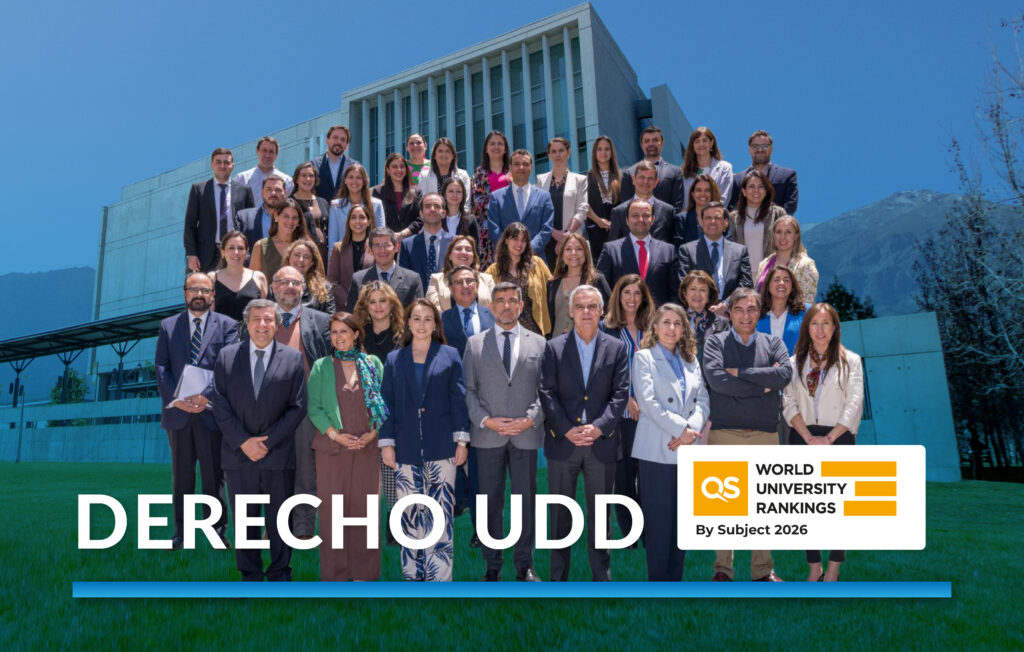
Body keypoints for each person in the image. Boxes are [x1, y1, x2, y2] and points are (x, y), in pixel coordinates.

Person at [539, 285, 630, 581]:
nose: (586, 312)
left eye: (592, 306)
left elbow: (620, 394)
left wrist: (599, 426)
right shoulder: (553, 348)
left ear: (601, 311)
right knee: (559, 515)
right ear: (571, 311)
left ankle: (601, 579)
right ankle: (557, 580)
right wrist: (567, 429)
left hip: (601, 443)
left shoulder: (616, 348)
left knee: (600, 516)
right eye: (580, 306)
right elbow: (547, 393)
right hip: (563, 443)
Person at [213, 299, 307, 581]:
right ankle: (250, 574)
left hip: (278, 455)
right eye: (256, 319)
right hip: (238, 455)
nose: (262, 325)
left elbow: (297, 407)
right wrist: (244, 442)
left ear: (277, 325)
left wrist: (267, 443)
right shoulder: (227, 357)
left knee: (280, 518)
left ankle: (280, 573)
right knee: (245, 519)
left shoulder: (292, 358)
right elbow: (220, 404)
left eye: (268, 320)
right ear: (247, 324)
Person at [703, 287, 793, 582]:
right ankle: (723, 569)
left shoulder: (773, 342)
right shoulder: (715, 342)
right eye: (739, 309)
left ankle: (763, 571)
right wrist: (762, 385)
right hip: (724, 432)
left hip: (764, 433)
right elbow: (717, 380)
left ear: (759, 312)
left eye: (752, 309)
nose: (745, 315)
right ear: (729, 313)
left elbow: (784, 375)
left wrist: (739, 373)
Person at [380, 299, 470, 581]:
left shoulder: (450, 355)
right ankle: (412, 579)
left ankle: (439, 582)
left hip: (442, 448)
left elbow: (459, 400)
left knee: (440, 516)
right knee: (410, 515)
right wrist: (387, 444)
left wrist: (462, 441)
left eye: (428, 319)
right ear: (408, 323)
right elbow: (386, 404)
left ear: (435, 324)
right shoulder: (394, 359)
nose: (422, 325)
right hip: (405, 449)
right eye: (416, 319)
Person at [463, 282, 546, 582]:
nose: (507, 305)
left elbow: (546, 391)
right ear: (491, 306)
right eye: (500, 300)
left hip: (525, 434)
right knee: (490, 502)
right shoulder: (475, 344)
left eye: (513, 300)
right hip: (488, 435)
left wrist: (530, 419)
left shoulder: (540, 344)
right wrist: (487, 421)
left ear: (521, 306)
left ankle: (524, 565)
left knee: (526, 501)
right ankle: (492, 565)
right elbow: (468, 391)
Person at [155, 273, 238, 550]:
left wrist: (206, 396)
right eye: (193, 289)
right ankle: (182, 533)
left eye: (205, 289)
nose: (199, 294)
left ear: (213, 294)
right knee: (182, 476)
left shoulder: (227, 326)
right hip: (178, 414)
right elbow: (162, 368)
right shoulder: (168, 326)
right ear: (185, 293)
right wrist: (176, 399)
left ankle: (216, 532)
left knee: (214, 477)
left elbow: (228, 367)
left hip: (211, 412)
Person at [783, 302, 864, 582]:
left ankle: (833, 570)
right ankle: (814, 568)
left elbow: (854, 403)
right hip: (802, 437)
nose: (820, 330)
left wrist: (829, 438)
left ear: (835, 327)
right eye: (814, 324)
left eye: (826, 323)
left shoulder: (851, 361)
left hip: (838, 438)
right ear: (807, 328)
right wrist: (808, 437)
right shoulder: (794, 363)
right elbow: (788, 402)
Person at [631, 303, 709, 581]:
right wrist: (681, 430)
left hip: (687, 449)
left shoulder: (691, 360)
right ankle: (657, 585)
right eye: (666, 322)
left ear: (684, 329)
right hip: (658, 449)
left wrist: (692, 429)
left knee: (681, 524)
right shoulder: (644, 358)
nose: (672, 328)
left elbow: (703, 400)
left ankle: (675, 584)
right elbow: (648, 403)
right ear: (655, 326)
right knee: (659, 523)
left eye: (678, 323)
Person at [306, 311, 386, 581]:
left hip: (366, 448)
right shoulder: (321, 367)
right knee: (333, 512)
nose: (339, 337)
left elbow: (385, 403)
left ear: (356, 334)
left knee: (365, 510)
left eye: (344, 331)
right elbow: (314, 407)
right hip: (332, 450)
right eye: (334, 332)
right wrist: (335, 435)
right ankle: (335, 575)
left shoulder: (373, 364)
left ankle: (365, 573)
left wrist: (373, 434)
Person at [270, 266, 331, 540]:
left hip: (306, 406)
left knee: (306, 470)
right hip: (269, 408)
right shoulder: (261, 318)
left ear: (303, 289)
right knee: (272, 471)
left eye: (295, 283)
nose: (290, 287)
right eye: (284, 282)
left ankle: (304, 529)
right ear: (273, 287)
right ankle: (274, 527)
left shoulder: (320, 320)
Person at [599, 274, 655, 544]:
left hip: (651, 416)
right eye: (626, 293)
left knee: (648, 477)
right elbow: (601, 372)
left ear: (644, 298)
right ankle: (632, 534)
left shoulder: (654, 328)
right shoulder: (606, 329)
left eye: (637, 293)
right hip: (621, 416)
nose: (632, 299)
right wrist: (626, 398)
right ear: (618, 296)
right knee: (623, 479)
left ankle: (650, 532)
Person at [352, 281, 405, 545]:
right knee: (366, 473)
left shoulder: (404, 336)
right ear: (365, 306)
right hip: (364, 412)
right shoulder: (357, 337)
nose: (378, 307)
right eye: (372, 302)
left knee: (392, 469)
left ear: (392, 304)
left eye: (383, 301)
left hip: (397, 410)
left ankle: (394, 524)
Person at [183, 147, 255, 272]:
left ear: (232, 166)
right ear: (212, 165)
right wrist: (191, 253)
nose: (222, 166)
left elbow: (250, 225)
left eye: (226, 162)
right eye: (218, 162)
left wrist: (249, 254)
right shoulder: (198, 189)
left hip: (235, 252)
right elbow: (190, 225)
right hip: (204, 254)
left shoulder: (245, 191)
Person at [596, 198, 678, 306]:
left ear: (653, 219)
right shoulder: (611, 250)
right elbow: (600, 288)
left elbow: (675, 292)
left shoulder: (668, 251)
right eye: (635, 216)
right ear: (627, 220)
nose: (641, 219)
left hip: (657, 315)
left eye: (646, 215)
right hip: (622, 314)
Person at [678, 202, 752, 316]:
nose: (713, 221)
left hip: (731, 315)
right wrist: (705, 309)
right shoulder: (687, 250)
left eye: (717, 218)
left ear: (725, 222)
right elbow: (684, 284)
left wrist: (726, 305)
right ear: (701, 222)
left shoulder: (740, 251)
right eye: (708, 218)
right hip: (699, 315)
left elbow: (746, 284)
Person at [484, 222, 552, 335]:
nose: (519, 244)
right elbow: (485, 302)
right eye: (515, 239)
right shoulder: (493, 271)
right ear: (506, 240)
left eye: (523, 240)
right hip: (506, 332)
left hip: (534, 331)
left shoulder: (537, 264)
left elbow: (553, 288)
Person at [486, 149, 555, 255]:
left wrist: (528, 249)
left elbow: (546, 229)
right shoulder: (496, 197)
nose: (521, 167)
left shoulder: (544, 197)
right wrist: (511, 249)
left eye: (525, 164)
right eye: (516, 164)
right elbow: (494, 229)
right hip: (506, 259)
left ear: (531, 167)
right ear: (510, 167)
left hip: (535, 258)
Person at [537, 137, 588, 267]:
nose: (557, 154)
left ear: (568, 152)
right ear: (549, 155)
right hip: (547, 241)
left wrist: (566, 236)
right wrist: (553, 233)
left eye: (561, 150)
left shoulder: (580, 180)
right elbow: (537, 211)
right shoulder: (540, 180)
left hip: (572, 241)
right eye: (553, 151)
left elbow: (582, 210)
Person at [547, 233, 611, 338]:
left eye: (579, 249)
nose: (573, 253)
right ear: (562, 254)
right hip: (556, 343)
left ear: (586, 253)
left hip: (588, 342)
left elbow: (611, 312)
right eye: (568, 249)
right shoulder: (552, 283)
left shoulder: (596, 280)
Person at [345, 227, 423, 311]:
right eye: (377, 245)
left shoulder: (412, 279)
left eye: (386, 245)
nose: (382, 250)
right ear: (370, 250)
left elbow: (418, 314)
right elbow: (351, 315)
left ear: (396, 247)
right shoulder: (358, 280)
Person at [730, 169, 787, 273]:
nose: (756, 190)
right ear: (744, 191)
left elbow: (789, 244)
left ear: (766, 191)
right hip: (743, 275)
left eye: (761, 186)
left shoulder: (778, 214)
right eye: (751, 186)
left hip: (771, 274)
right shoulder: (734, 218)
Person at [731, 129, 798, 215]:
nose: (760, 149)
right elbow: (732, 208)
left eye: (765, 145)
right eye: (755, 146)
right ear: (749, 149)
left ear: (771, 148)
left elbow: (790, 206)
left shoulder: (786, 175)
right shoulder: (738, 179)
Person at [608, 160, 675, 244]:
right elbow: (612, 246)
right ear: (633, 179)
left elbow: (672, 244)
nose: (645, 182)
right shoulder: (619, 212)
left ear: (656, 182)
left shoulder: (667, 211)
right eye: (642, 177)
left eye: (650, 178)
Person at [208, 231, 268, 323]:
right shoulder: (212, 278)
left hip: (251, 331)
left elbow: (266, 312)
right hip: (221, 331)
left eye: (240, 248)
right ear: (223, 252)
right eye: (231, 248)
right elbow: (208, 315)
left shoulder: (259, 278)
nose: (236, 252)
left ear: (246, 252)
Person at [756, 216, 819, 303]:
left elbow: (807, 303)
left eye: (788, 232)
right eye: (779, 232)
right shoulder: (764, 264)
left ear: (796, 236)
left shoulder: (806, 265)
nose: (782, 237)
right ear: (773, 234)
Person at [620, 126, 685, 210]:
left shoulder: (676, 172)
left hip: (666, 218)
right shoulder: (629, 173)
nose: (651, 144)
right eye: (647, 141)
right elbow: (625, 206)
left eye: (655, 140)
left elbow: (677, 206)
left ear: (662, 143)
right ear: (642, 145)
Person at [471, 130, 512, 263]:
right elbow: (476, 201)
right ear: (486, 149)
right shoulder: (479, 173)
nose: (496, 147)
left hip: (509, 225)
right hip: (485, 229)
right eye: (492, 144)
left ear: (505, 149)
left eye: (500, 144)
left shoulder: (513, 171)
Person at [399, 192, 454, 291]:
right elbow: (405, 281)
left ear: (444, 213)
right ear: (421, 214)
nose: (432, 209)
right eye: (427, 206)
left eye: (437, 206)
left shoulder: (455, 243)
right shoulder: (407, 245)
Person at [426, 235, 495, 312]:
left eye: (468, 249)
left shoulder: (487, 279)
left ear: (473, 257)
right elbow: (433, 311)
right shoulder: (436, 279)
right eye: (458, 249)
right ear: (450, 256)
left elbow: (495, 309)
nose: (463, 252)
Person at [327, 163, 386, 252]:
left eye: (359, 178)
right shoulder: (335, 206)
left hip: (370, 255)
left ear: (364, 181)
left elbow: (381, 235)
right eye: (351, 177)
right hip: (344, 255)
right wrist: (332, 260)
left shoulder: (376, 204)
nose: (354, 181)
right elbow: (333, 239)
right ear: (345, 180)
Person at [326, 204, 374, 311]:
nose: (357, 221)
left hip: (370, 307)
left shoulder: (375, 248)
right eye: (353, 217)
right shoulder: (338, 248)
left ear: (369, 222)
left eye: (362, 217)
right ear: (348, 222)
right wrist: (347, 300)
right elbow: (332, 280)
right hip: (345, 308)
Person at [250, 198, 311, 282]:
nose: (290, 221)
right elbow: (254, 282)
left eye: (295, 218)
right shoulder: (260, 247)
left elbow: (318, 280)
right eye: (286, 216)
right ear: (276, 216)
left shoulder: (307, 247)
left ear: (299, 222)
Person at [439, 266, 495, 356]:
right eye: (459, 282)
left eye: (469, 281)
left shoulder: (494, 315)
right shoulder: (441, 319)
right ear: (451, 289)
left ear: (477, 285)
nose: (465, 286)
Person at [585, 135, 625, 259]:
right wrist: (598, 221)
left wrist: (616, 224)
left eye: (607, 149)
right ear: (594, 153)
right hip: (596, 230)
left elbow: (626, 204)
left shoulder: (622, 176)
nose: (603, 152)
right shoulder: (587, 178)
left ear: (612, 152)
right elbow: (583, 204)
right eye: (599, 149)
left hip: (618, 230)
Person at [678, 270, 729, 363]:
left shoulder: (722, 323)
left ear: (708, 296)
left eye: (702, 290)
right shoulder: (676, 321)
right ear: (685, 293)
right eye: (693, 289)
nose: (697, 294)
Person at [757, 265, 808, 356]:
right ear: (768, 285)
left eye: (786, 280)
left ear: (792, 286)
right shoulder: (756, 313)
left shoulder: (806, 312)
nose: (781, 283)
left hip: (795, 364)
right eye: (776, 280)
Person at [680, 126, 734, 212]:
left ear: (711, 143)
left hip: (714, 217)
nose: (701, 144)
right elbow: (684, 201)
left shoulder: (725, 168)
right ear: (692, 146)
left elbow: (724, 198)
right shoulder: (684, 172)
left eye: (705, 140)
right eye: (697, 141)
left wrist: (709, 215)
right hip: (690, 217)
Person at [373, 152, 423, 239]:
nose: (399, 170)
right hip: (386, 241)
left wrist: (403, 233)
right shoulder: (378, 192)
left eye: (402, 166)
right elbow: (376, 218)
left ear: (406, 170)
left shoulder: (416, 192)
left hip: (410, 240)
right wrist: (391, 235)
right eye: (394, 167)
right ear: (388, 170)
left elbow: (420, 218)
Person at [290, 161, 331, 265]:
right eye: (303, 175)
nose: (308, 179)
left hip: (323, 255)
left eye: (311, 176)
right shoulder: (290, 203)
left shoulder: (323, 202)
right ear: (296, 179)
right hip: (300, 257)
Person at [419, 136, 473, 215]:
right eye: (440, 151)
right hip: (433, 218)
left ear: (453, 156)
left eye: (447, 151)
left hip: (457, 218)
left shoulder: (463, 175)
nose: (444, 154)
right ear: (434, 156)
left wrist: (460, 218)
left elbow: (466, 204)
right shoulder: (424, 176)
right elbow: (422, 202)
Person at [236, 176, 289, 255]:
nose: (273, 193)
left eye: (278, 190)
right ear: (262, 193)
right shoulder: (244, 217)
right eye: (269, 189)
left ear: (285, 193)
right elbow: (237, 246)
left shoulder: (293, 218)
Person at [235, 136, 294, 206]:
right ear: (257, 151)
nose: (267, 155)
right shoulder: (242, 179)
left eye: (271, 152)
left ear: (276, 154)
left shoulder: (287, 181)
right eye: (264, 150)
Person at [284, 239, 335, 315]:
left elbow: (330, 318)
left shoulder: (325, 288)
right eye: (297, 255)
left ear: (312, 262)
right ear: (289, 258)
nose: (301, 260)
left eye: (306, 257)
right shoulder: (276, 286)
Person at [311, 125, 360, 203]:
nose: (338, 142)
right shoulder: (313, 165)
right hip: (320, 210)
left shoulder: (354, 166)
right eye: (335, 138)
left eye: (343, 139)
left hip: (346, 210)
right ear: (327, 140)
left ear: (347, 145)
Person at [674, 173, 721, 250]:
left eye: (707, 190)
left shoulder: (722, 217)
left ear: (712, 194)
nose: (703, 194)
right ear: (692, 193)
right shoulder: (681, 219)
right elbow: (678, 250)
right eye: (699, 190)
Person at [439, 177, 480, 246]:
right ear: (444, 194)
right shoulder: (437, 218)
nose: (455, 195)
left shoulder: (470, 219)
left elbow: (476, 247)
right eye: (451, 191)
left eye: (459, 191)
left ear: (463, 195)